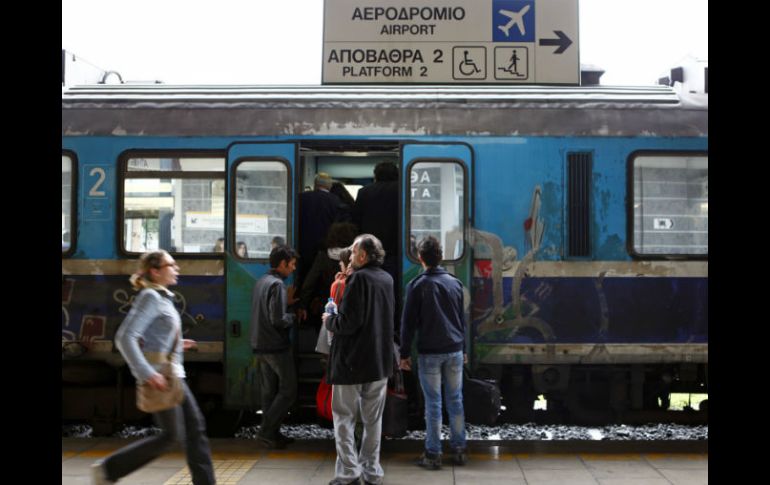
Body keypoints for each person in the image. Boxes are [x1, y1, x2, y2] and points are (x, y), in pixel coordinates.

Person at [91, 250, 216, 485]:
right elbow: (125, 337)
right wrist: (147, 373)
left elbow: (154, 334)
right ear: (155, 271)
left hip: (172, 374)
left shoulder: (162, 297)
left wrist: (179, 344)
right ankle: (109, 469)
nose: (177, 268)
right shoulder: (150, 297)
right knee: (172, 436)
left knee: (194, 430)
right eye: (171, 264)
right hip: (162, 375)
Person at [323, 234, 394, 485]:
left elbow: (348, 322)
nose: (350, 257)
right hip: (379, 362)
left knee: (344, 418)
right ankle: (371, 471)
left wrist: (329, 319)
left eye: (353, 253)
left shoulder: (358, 280)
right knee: (373, 421)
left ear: (363, 255)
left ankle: (349, 473)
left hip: (352, 363)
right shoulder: (387, 279)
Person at [400, 236, 468, 469]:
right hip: (455, 350)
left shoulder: (417, 285)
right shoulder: (455, 283)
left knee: (433, 404)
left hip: (429, 353)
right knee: (456, 400)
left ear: (420, 258)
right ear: (441, 257)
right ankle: (459, 450)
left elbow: (408, 324)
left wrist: (404, 353)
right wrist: (465, 348)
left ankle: (433, 454)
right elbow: (462, 321)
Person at [250, 245, 300, 448]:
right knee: (289, 389)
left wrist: (285, 304)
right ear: (283, 264)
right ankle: (266, 431)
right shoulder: (277, 285)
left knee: (269, 392)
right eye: (292, 265)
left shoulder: (262, 281)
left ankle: (272, 434)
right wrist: (294, 316)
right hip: (275, 345)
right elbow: (278, 319)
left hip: (259, 344)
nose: (294, 269)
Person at [352, 161, 401, 337]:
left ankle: (373, 329)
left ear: (376, 176)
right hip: (396, 252)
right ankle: (393, 329)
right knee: (393, 293)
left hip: (370, 254)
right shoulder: (402, 190)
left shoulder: (364, 192)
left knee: (370, 294)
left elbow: (355, 221)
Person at [298, 222, 358, 325]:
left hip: (327, 303)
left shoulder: (323, 257)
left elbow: (309, 283)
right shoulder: (354, 257)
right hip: (349, 305)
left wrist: (302, 305)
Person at [298, 172, 345, 282]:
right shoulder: (335, 201)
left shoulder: (301, 198)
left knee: (303, 277)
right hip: (325, 249)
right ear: (329, 186)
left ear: (315, 184)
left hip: (302, 246)